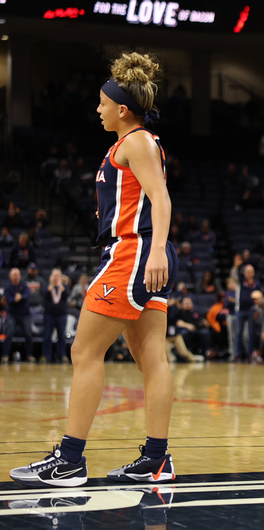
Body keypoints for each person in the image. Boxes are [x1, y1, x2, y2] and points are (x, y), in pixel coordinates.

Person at [11, 53, 178, 487]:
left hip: (135, 252)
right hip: (142, 253)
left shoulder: (135, 142)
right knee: (151, 358)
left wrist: (156, 249)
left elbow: (161, 199)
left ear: (122, 109)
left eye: (103, 103)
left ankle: (68, 460)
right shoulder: (132, 143)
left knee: (84, 352)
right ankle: (157, 459)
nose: (98, 109)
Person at [2, 268, 33, 363]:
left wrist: (21, 297)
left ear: (20, 276)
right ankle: (5, 356)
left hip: (25, 315)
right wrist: (16, 299)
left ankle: (29, 355)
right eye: (14, 274)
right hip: (12, 315)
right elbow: (8, 299)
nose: (16, 276)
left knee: (28, 334)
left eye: (17, 274)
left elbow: (27, 295)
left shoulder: (25, 286)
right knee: (9, 334)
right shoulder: (8, 289)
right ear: (10, 277)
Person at [42, 268, 71, 364]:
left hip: (61, 315)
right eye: (54, 275)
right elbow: (44, 295)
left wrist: (61, 287)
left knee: (61, 336)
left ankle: (62, 355)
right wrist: (50, 287)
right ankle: (47, 356)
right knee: (47, 336)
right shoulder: (47, 286)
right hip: (49, 315)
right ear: (51, 276)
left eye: (58, 275)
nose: (56, 277)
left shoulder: (65, 287)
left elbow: (67, 295)